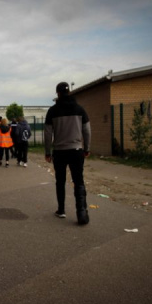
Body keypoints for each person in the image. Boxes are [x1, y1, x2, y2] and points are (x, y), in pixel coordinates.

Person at [44, 81, 91, 225]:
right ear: (69, 92)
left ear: (58, 93)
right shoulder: (80, 109)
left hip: (59, 152)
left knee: (61, 181)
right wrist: (86, 148)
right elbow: (87, 131)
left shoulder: (52, 111)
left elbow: (47, 133)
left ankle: (61, 210)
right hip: (76, 151)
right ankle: (81, 213)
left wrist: (48, 152)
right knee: (78, 181)